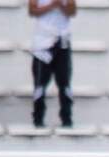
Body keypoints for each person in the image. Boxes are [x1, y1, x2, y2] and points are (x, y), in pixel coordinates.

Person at [29, 0, 76, 128]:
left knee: (64, 83)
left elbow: (72, 11)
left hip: (62, 40)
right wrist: (52, 5)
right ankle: (38, 118)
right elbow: (32, 11)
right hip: (42, 42)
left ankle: (66, 118)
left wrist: (60, 5)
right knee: (40, 84)